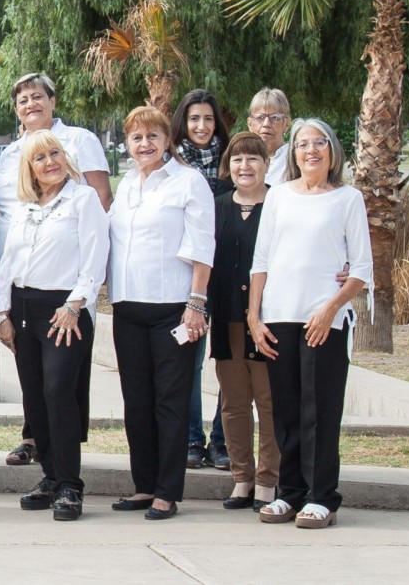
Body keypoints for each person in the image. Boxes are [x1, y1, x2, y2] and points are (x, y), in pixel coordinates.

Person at [250, 119, 372, 529]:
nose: (311, 150)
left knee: (319, 410)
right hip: (278, 316)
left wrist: (330, 309)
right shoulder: (279, 195)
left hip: (324, 320)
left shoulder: (348, 199)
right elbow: (261, 261)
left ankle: (322, 498)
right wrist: (254, 316)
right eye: (303, 144)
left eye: (320, 142)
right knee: (285, 410)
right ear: (294, 153)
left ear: (332, 151)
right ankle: (290, 493)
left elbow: (362, 269)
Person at [0, 72, 111, 467]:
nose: (31, 104)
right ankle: (43, 459)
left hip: (66, 292)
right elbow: (0, 216)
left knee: (60, 387)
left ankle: (66, 472)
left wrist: (78, 298)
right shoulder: (11, 158)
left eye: (38, 96)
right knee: (36, 387)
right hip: (21, 290)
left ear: (53, 100)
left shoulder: (80, 146)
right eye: (22, 99)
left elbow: (100, 208)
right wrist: (0, 294)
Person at [108, 106, 214, 520]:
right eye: (136, 137)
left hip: (174, 309)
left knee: (170, 402)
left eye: (153, 136)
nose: (145, 144)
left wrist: (196, 304)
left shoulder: (188, 181)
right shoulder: (126, 185)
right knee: (136, 402)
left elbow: (202, 247)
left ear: (168, 140)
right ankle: (144, 486)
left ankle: (167, 492)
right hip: (127, 307)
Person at [207, 132, 278, 512]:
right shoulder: (216, 206)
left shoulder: (280, 205)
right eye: (237, 159)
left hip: (268, 321)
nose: (244, 166)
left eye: (253, 159)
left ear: (266, 164)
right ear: (228, 165)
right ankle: (242, 478)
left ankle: (267, 481)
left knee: (268, 403)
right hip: (227, 319)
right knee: (234, 404)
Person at [170, 88, 231, 470]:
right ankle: (192, 440)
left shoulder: (231, 165)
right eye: (194, 118)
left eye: (208, 119)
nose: (202, 126)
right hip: (189, 281)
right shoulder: (172, 167)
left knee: (229, 363)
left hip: (228, 277)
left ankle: (222, 441)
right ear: (183, 122)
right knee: (189, 362)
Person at [246, 87, 292, 186]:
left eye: (275, 117)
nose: (266, 124)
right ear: (250, 123)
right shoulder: (241, 158)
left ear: (287, 123)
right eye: (260, 117)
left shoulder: (295, 158)